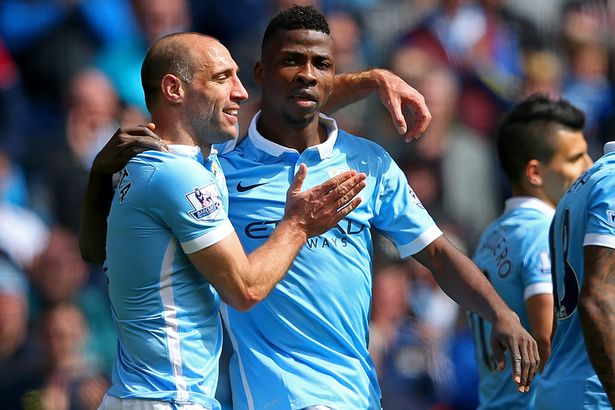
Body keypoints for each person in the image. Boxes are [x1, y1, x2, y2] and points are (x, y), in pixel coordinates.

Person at [82, 6, 539, 409]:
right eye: (290, 61)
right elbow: (241, 287)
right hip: (270, 396)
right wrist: (299, 223)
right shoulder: (219, 169)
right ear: (260, 74)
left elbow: (437, 254)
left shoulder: (369, 163)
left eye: (321, 64)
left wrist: (501, 312)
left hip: (358, 392)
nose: (307, 73)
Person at [89, 32, 368, 410]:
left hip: (142, 395)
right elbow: (245, 289)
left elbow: (92, 250)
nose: (239, 92)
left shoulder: (184, 161)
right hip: (167, 400)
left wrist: (375, 81)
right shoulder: (177, 177)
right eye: (222, 78)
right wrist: (298, 225)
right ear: (174, 89)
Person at [469, 94, 592, 409]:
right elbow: (548, 341)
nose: (589, 166)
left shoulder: (492, 234)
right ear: (535, 172)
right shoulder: (543, 233)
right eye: (576, 157)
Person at [534, 139, 615, 409]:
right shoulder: (612, 184)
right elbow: (596, 301)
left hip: (568, 388)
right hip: (595, 396)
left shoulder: (587, 183)